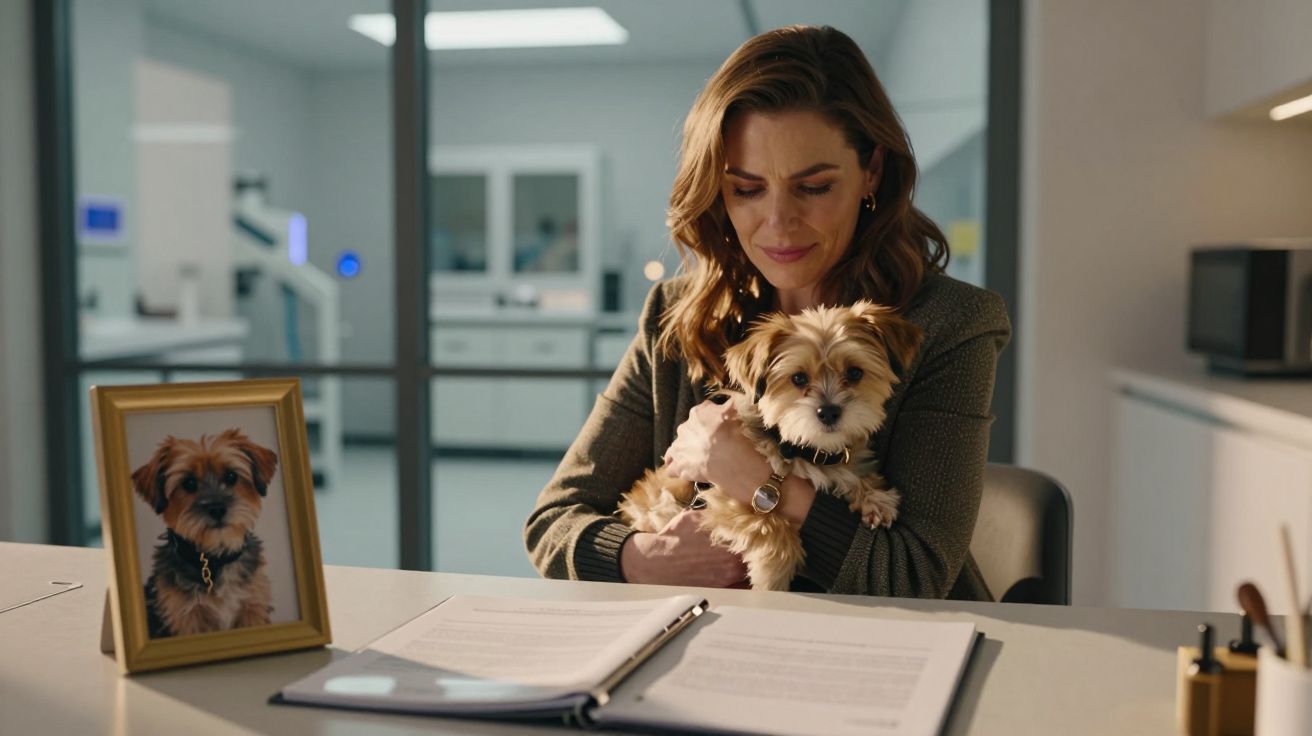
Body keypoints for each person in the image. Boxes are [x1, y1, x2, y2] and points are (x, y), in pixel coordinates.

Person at [524, 25, 1010, 599]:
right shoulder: (677, 319)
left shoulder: (950, 326)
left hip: (891, 656)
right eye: (748, 189)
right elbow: (553, 522)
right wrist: (643, 558)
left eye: (814, 187)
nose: (778, 223)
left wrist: (756, 478)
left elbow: (915, 577)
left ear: (871, 172)